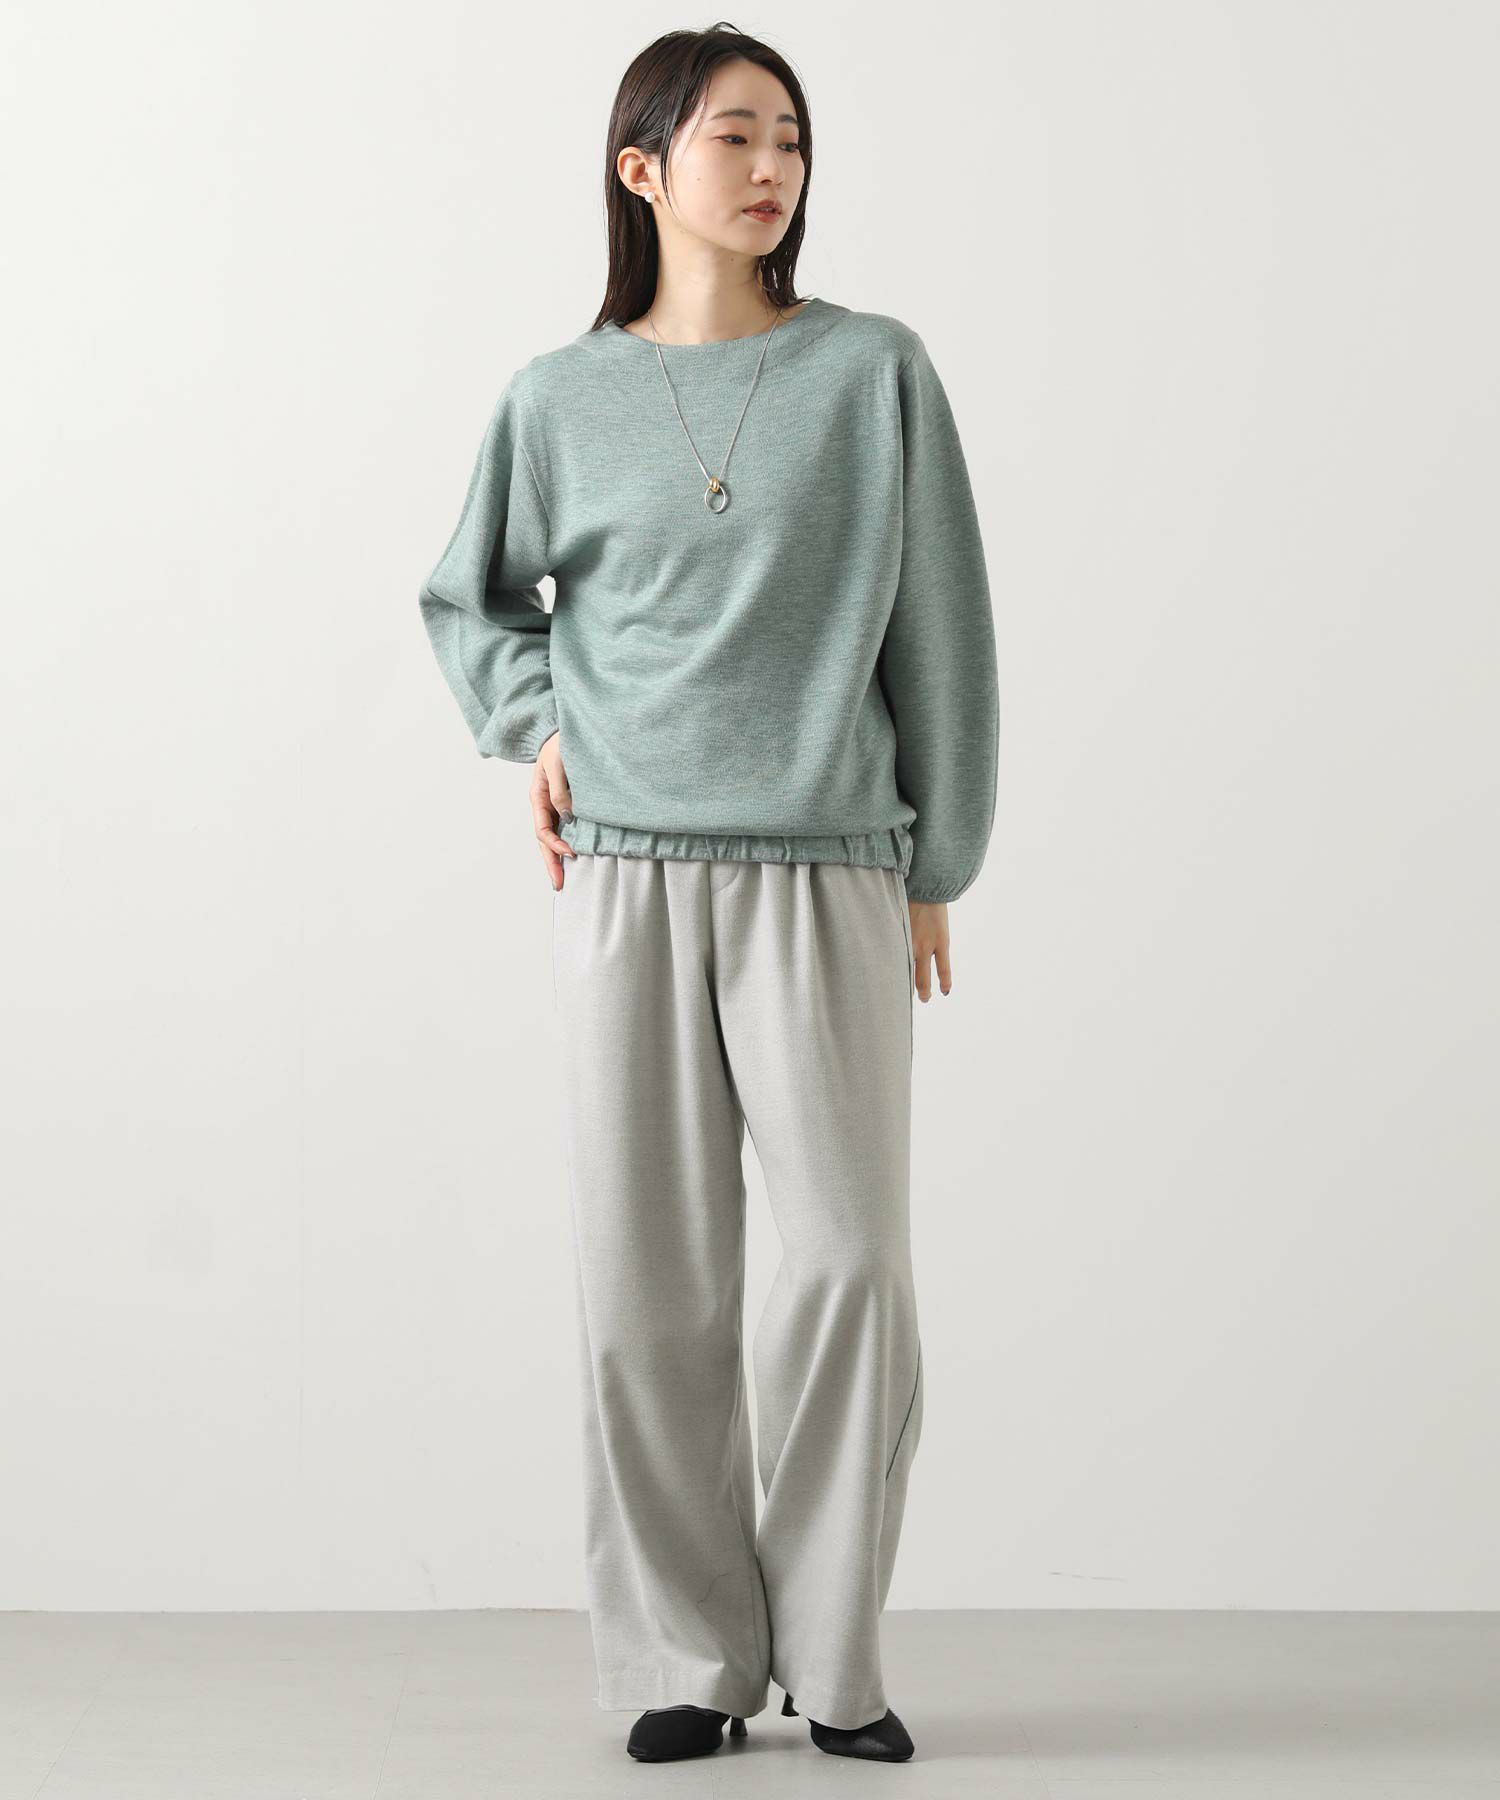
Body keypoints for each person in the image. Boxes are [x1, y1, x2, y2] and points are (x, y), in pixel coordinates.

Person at [417, 22, 999, 1768]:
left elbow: (941, 630)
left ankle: (836, 1654)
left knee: (852, 1270)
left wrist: (936, 859)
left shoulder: (874, 372)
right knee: (650, 1287)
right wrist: (538, 727)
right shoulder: (555, 398)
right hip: (625, 875)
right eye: (736, 135)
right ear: (642, 166)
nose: (772, 169)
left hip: (829, 867)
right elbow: (469, 602)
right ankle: (690, 1657)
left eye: (793, 140)